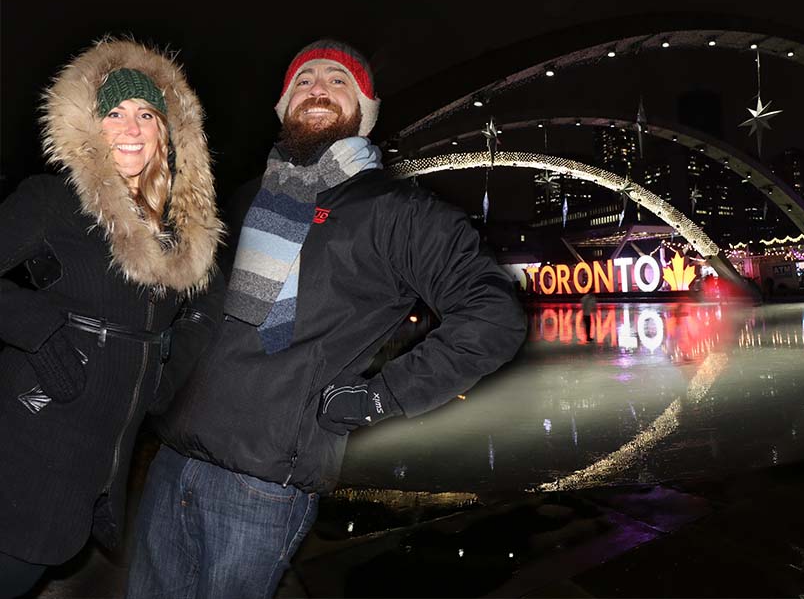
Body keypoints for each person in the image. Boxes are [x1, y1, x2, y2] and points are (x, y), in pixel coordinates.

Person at [126, 40, 527, 598]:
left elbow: (493, 316)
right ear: (285, 105)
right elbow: (195, 312)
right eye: (304, 80)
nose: (318, 87)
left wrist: (380, 397)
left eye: (338, 81)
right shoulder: (247, 198)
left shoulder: (395, 209)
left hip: (263, 485)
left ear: (364, 109)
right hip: (172, 458)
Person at [0, 39, 223, 596]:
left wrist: (158, 382)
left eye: (146, 114)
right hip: (32, 435)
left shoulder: (176, 230)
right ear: (90, 126)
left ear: (165, 134)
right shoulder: (55, 199)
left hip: (101, 454)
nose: (131, 126)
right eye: (114, 112)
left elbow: (198, 317)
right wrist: (36, 328)